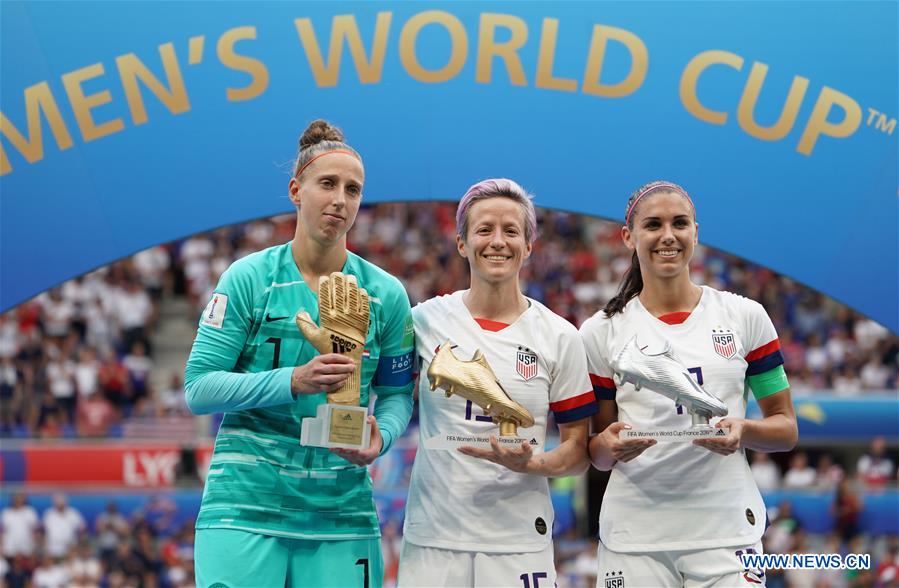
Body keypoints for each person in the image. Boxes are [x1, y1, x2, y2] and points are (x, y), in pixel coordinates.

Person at [184, 120, 416, 588]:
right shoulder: (248, 279)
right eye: (327, 184)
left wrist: (383, 437)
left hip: (341, 511)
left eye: (353, 190)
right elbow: (199, 388)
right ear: (296, 190)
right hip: (244, 505)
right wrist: (295, 380)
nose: (340, 200)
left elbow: (396, 395)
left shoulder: (386, 295)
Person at [581, 181, 798, 587]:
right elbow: (597, 450)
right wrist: (608, 447)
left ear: (695, 232)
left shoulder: (744, 317)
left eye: (679, 223)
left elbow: (785, 429)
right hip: (635, 538)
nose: (668, 236)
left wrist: (744, 430)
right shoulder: (600, 332)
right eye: (654, 225)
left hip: (728, 535)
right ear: (629, 237)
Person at [398, 179, 596, 587]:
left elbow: (578, 450)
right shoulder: (424, 320)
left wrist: (535, 464)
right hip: (433, 539)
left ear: (529, 245)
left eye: (511, 231)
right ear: (461, 243)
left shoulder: (560, 336)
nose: (497, 242)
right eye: (484, 229)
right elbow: (388, 396)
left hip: (519, 539)